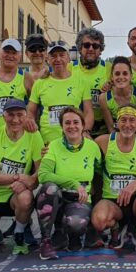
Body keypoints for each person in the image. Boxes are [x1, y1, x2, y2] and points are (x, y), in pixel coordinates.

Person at [0, 100, 42, 258]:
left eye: (19, 115)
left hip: (13, 197)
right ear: (3, 116)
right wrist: (19, 178)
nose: (15, 120)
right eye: (10, 115)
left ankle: (19, 234)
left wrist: (28, 182)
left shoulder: (34, 135)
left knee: (25, 198)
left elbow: (39, 173)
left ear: (26, 116)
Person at [91, 107, 136, 252]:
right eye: (123, 120)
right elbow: (82, 153)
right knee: (99, 221)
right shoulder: (102, 141)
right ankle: (116, 228)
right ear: (116, 124)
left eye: (132, 120)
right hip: (112, 202)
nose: (127, 124)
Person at [35, 108, 101, 260]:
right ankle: (47, 240)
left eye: (76, 122)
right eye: (67, 123)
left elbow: (100, 174)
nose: (72, 126)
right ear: (62, 126)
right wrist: (73, 183)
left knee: (76, 224)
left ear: (83, 125)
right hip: (56, 198)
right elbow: (43, 175)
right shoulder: (53, 145)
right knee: (49, 188)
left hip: (79, 200)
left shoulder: (92, 147)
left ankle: (74, 235)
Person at [27, 41, 94, 143]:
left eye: (61, 55)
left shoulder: (81, 82)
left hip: (74, 141)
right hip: (47, 143)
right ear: (48, 59)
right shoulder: (40, 83)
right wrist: (30, 122)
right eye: (53, 56)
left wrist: (85, 130)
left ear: (68, 58)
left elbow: (88, 111)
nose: (58, 59)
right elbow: (31, 111)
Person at [72, 28, 112, 136]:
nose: (91, 49)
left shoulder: (109, 68)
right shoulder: (69, 68)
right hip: (76, 129)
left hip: (103, 129)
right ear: (80, 47)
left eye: (95, 46)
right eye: (86, 45)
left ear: (101, 50)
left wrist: (112, 88)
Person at [0, 39, 28, 135]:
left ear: (20, 56)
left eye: (14, 53)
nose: (10, 56)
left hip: (18, 136)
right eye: (6, 52)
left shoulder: (26, 78)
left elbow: (34, 107)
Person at [99, 56, 136, 133]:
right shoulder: (104, 98)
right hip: (118, 135)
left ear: (131, 76)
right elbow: (111, 129)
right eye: (117, 74)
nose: (121, 77)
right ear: (112, 77)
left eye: (125, 73)